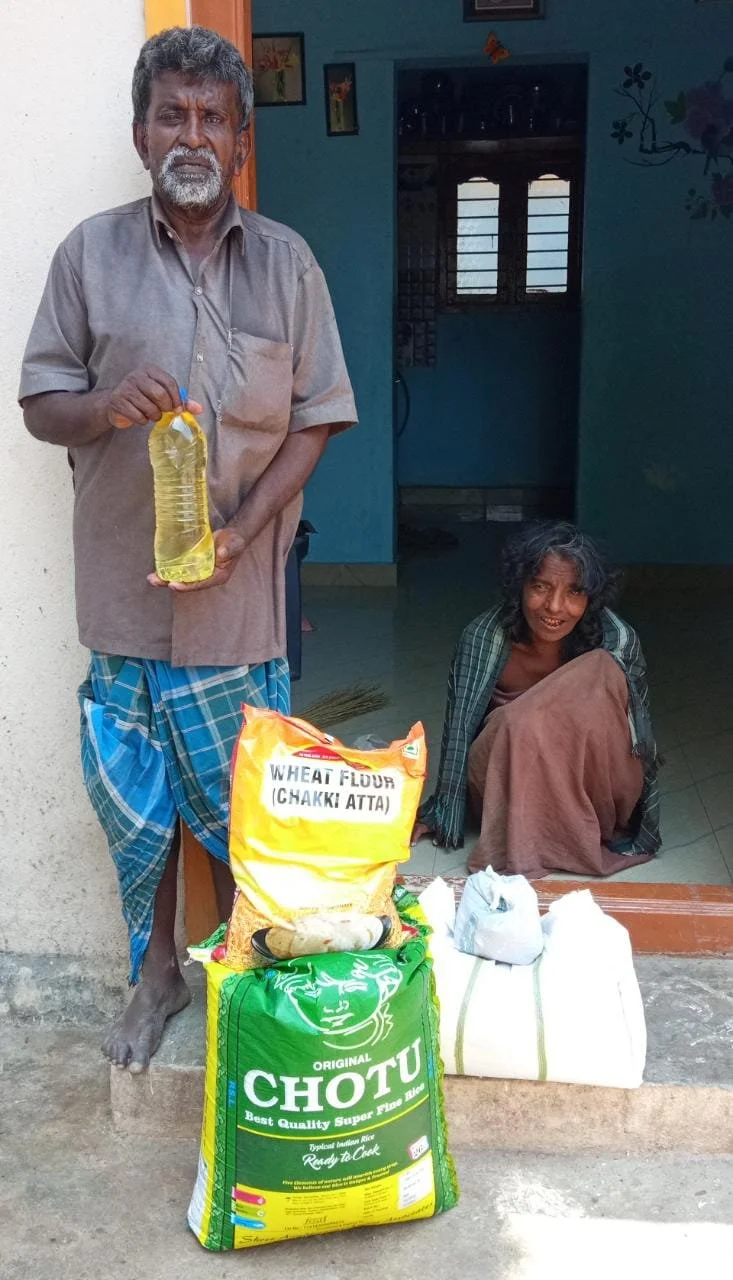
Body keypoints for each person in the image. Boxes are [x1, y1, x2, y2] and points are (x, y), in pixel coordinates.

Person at [19, 26, 357, 1071]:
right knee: (139, 805)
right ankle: (157, 971)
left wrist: (246, 533)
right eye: (173, 114)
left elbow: (318, 418)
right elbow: (40, 401)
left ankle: (254, 971)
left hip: (240, 592)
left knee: (249, 802)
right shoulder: (89, 255)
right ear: (141, 133)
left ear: (243, 139)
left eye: (213, 117)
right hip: (124, 586)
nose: (193, 135)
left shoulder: (288, 265)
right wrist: (102, 406)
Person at [414, 522, 661, 878]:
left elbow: (635, 739)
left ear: (592, 598)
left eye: (574, 591)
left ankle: (571, 825)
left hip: (592, 782)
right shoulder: (482, 638)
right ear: (519, 587)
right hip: (508, 778)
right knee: (519, 723)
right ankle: (534, 829)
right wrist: (442, 811)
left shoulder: (617, 641)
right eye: (540, 587)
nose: (555, 607)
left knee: (602, 669)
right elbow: (458, 732)